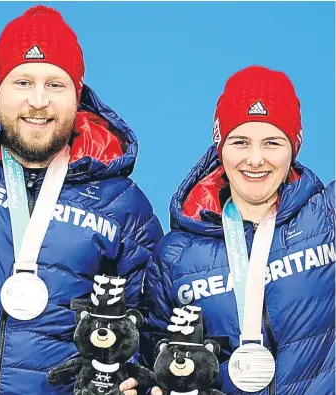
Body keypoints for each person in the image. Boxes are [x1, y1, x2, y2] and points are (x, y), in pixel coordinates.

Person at [0, 5, 163, 395]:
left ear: (78, 94)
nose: (38, 101)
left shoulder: (123, 207)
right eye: (22, 82)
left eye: (55, 85)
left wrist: (134, 382)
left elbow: (147, 335)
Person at [142, 65, 335, 395]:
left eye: (272, 142)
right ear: (221, 147)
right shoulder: (176, 257)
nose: (255, 159)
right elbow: (153, 360)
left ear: (294, 147)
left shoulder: (328, 219)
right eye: (241, 142)